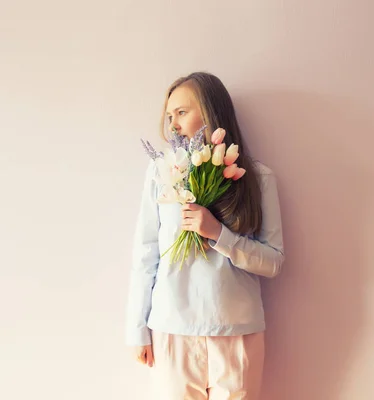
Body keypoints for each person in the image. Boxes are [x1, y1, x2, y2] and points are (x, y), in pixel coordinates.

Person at [125, 71, 285, 400]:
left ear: (211, 112)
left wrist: (218, 233)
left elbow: (273, 262)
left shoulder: (257, 178)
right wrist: (136, 328)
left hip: (236, 331)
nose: (173, 125)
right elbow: (146, 254)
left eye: (182, 113)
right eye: (169, 116)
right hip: (172, 328)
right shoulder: (161, 172)